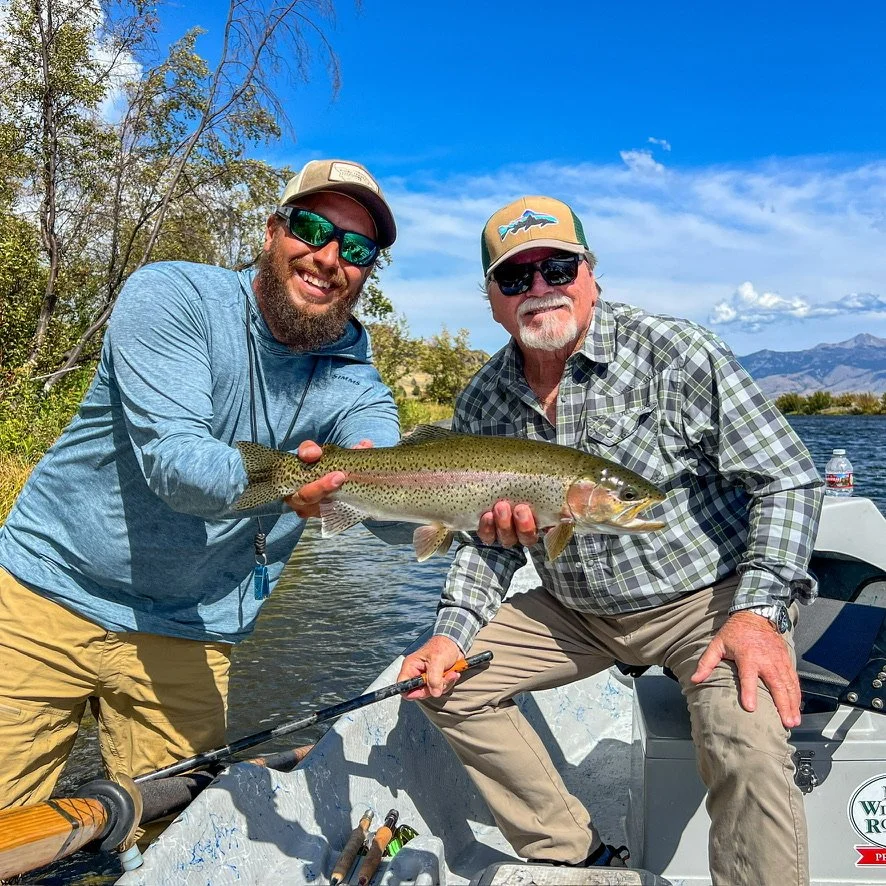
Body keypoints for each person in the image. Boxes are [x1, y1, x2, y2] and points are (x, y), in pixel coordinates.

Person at [398, 195, 824, 885]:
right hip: (574, 611)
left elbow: (788, 480)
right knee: (442, 685)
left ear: (591, 272)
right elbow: (485, 543)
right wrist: (450, 633)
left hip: (705, 602)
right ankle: (573, 851)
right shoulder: (483, 400)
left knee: (745, 734)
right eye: (515, 278)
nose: (539, 288)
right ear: (493, 300)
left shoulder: (675, 351)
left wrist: (759, 613)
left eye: (557, 267)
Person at [0, 159, 407, 809]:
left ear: (364, 272)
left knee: (175, 840)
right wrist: (295, 482)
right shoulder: (174, 296)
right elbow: (178, 465)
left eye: (356, 247)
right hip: (46, 591)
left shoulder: (351, 372)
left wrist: (373, 478)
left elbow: (382, 463)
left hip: (190, 630)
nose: (330, 256)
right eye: (312, 228)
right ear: (273, 232)